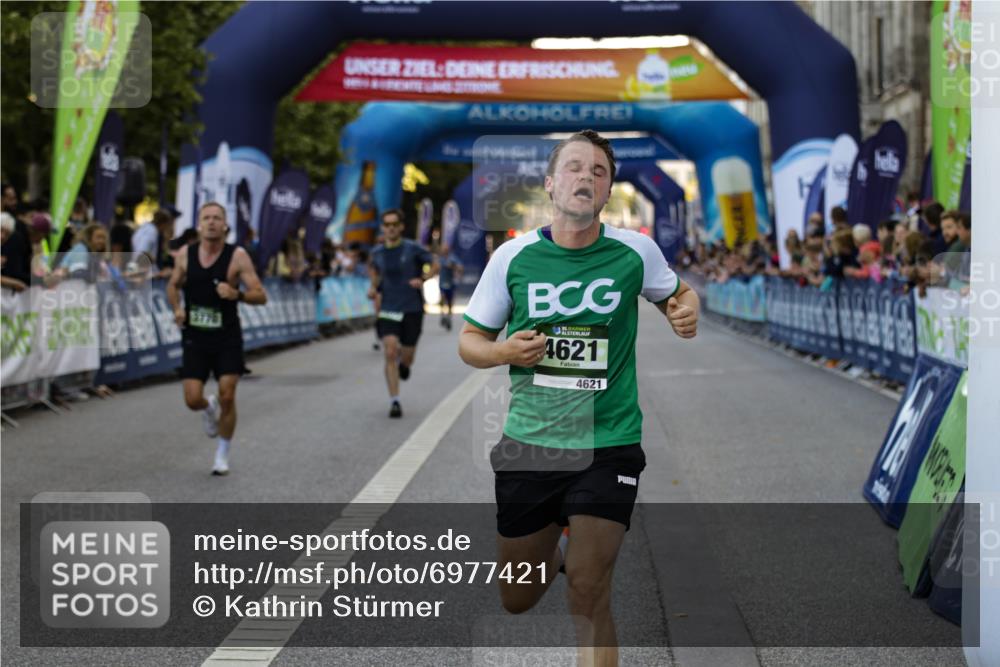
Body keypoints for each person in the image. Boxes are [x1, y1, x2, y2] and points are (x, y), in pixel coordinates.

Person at [458, 130, 699, 666]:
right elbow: (469, 343)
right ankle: (559, 548)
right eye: (573, 167)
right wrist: (504, 353)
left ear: (609, 189)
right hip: (531, 445)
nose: (585, 177)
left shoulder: (635, 250)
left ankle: (582, 554)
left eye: (597, 171)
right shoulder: (512, 258)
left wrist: (687, 310)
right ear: (550, 183)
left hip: (608, 443)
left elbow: (678, 294)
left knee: (589, 591)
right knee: (517, 599)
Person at [166, 202, 267, 475]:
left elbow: (261, 294)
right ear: (199, 224)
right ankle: (207, 408)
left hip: (227, 337)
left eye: (217, 218)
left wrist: (238, 295)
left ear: (225, 225)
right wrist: (177, 308)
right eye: (206, 218)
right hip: (196, 336)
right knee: (192, 399)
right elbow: (172, 284)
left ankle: (222, 453)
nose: (211, 222)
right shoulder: (185, 255)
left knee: (228, 394)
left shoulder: (238, 256)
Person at [368, 208, 437, 418]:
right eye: (386, 225)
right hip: (389, 307)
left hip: (412, 308)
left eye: (393, 225)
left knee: (407, 356)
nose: (389, 228)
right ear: (382, 228)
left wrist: (423, 279)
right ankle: (395, 401)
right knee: (389, 351)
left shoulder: (413, 249)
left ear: (400, 227)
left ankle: (405, 365)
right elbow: (374, 272)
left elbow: (434, 264)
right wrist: (373, 288)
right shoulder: (377, 253)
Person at [133, 207, 180, 278]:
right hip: (145, 274)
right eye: (167, 224)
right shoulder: (152, 232)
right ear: (163, 223)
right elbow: (142, 251)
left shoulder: (144, 228)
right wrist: (153, 260)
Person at [436, 243, 463, 330]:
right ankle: (442, 315)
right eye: (443, 249)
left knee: (450, 302)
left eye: (446, 249)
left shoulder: (453, 258)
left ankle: (449, 318)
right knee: (442, 298)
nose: (445, 250)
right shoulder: (440, 258)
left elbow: (460, 267)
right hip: (442, 282)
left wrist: (454, 267)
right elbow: (436, 267)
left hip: (451, 283)